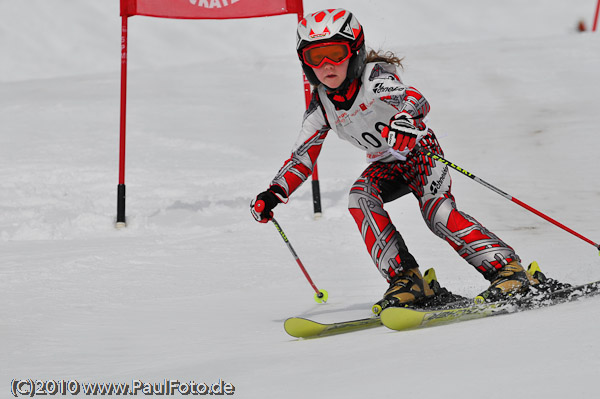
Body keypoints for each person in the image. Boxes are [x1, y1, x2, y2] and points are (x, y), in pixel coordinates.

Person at [250, 8, 536, 309]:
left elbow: (415, 98)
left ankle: (508, 270)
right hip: (386, 165)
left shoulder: (374, 78)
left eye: (335, 53)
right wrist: (274, 192)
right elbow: (302, 157)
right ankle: (407, 280)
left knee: (436, 213)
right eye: (314, 57)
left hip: (419, 153)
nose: (326, 65)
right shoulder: (321, 105)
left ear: (355, 52)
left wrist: (404, 119)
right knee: (359, 197)